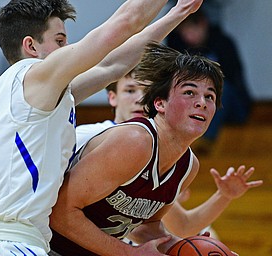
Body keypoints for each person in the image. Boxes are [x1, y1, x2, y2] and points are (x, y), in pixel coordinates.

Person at [0, 0, 177, 255]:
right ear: (31, 46)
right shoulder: (34, 76)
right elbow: (124, 22)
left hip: (2, 242)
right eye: (59, 41)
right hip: (16, 242)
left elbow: (112, 66)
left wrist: (179, 12)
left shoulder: (24, 94)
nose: (67, 48)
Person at [49, 42, 226, 256]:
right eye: (189, 92)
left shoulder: (188, 166)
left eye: (210, 96)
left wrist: (188, 248)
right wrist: (128, 253)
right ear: (160, 104)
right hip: (44, 245)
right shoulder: (135, 141)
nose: (202, 103)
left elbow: (145, 227)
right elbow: (59, 212)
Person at [75, 68, 263, 241]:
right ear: (112, 97)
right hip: (71, 241)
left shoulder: (169, 153)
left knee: (207, 238)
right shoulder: (87, 135)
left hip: (115, 245)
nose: (140, 99)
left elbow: (181, 225)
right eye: (131, 90)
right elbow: (65, 209)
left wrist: (224, 195)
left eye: (146, 91)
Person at [167, 9, 252, 155]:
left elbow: (234, 79)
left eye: (191, 30)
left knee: (217, 89)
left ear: (203, 24)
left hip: (231, 106)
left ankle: (205, 139)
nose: (188, 36)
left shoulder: (223, 44)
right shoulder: (177, 46)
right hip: (196, 105)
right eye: (184, 32)